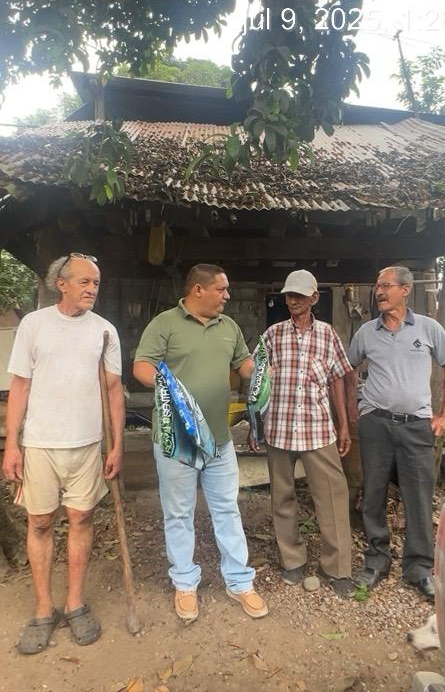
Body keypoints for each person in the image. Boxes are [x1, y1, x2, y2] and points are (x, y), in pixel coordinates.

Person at [3, 253, 125, 653]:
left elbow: (113, 391)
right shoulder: (34, 325)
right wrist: (11, 443)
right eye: (84, 282)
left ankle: (74, 603)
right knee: (40, 522)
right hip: (40, 443)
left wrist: (117, 445)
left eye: (96, 283)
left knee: (82, 518)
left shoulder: (104, 331)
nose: (92, 289)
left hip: (87, 444)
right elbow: (19, 386)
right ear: (62, 284)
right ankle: (43, 608)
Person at [133, 263, 268, 622]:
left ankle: (239, 582)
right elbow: (142, 366)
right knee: (178, 513)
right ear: (198, 290)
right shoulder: (164, 324)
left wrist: (263, 371)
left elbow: (244, 365)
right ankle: (184, 582)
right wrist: (167, 385)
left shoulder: (229, 327)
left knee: (227, 509)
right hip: (177, 441)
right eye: (221, 289)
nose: (227, 296)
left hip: (219, 441)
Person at [347, 266, 445, 601]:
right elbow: (348, 369)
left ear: (405, 290)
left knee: (419, 497)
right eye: (377, 286)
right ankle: (376, 560)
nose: (379, 292)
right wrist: (355, 409)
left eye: (386, 285)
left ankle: (419, 568)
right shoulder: (366, 332)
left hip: (416, 425)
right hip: (376, 424)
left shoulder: (428, 328)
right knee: (374, 493)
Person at [248, 270, 356, 597]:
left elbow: (338, 379)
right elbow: (256, 382)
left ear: (314, 298)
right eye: (289, 295)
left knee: (333, 497)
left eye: (299, 295)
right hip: (279, 428)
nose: (292, 300)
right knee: (282, 497)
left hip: (318, 429)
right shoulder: (272, 335)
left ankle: (336, 568)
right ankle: (292, 560)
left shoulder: (328, 334)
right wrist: (254, 424)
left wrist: (344, 425)